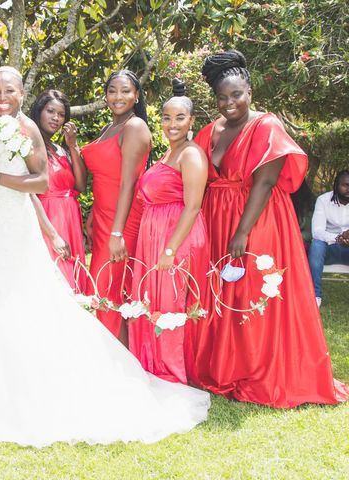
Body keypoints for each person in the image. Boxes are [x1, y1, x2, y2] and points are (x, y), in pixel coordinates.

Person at [0, 66, 210, 447]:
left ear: (21, 92)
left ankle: (23, 380)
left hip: (16, 229)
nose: (1, 96)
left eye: (9, 89)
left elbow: (40, 182)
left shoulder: (26, 128)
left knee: (20, 298)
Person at [191, 50, 347, 407]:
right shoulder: (211, 129)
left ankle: (257, 368)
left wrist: (242, 232)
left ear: (250, 91)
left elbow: (264, 182)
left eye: (236, 95)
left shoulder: (267, 126)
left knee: (250, 291)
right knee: (221, 290)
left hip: (257, 219)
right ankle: (224, 364)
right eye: (222, 97)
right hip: (217, 217)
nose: (229, 103)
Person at [128, 79, 208, 384]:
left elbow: (193, 206)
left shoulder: (191, 154)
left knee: (171, 303)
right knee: (154, 300)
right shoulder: (167, 154)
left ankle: (171, 371)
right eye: (166, 117)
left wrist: (170, 249)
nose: (171, 124)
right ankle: (150, 364)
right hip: (156, 236)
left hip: (177, 237)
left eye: (179, 118)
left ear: (191, 121)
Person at [80, 70, 151, 344]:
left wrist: (117, 232)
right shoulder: (109, 127)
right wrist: (93, 215)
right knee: (104, 290)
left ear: (136, 96)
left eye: (125, 91)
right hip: (103, 218)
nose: (117, 97)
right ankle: (109, 359)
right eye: (112, 91)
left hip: (121, 220)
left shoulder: (134, 127)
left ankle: (119, 363)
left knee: (108, 289)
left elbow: (127, 184)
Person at [29, 89, 87, 290]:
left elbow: (80, 185)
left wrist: (73, 146)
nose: (56, 118)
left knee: (72, 279)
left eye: (61, 114)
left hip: (70, 218)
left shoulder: (60, 149)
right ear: (39, 111)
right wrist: (52, 234)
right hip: (48, 219)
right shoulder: (29, 146)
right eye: (50, 111)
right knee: (55, 280)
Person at [308, 170, 349, 306]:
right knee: (317, 244)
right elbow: (317, 232)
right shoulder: (323, 200)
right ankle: (315, 296)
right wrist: (339, 237)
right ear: (336, 185)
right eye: (345, 185)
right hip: (329, 249)